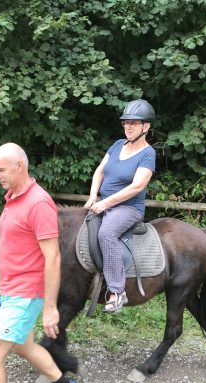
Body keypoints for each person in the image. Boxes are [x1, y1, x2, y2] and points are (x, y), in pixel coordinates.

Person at [0, 143, 84, 383]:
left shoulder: (38, 202)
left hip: (25, 294)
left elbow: (52, 256)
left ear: (20, 166)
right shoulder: (14, 198)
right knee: (23, 345)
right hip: (11, 290)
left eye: (0, 170)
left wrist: (50, 307)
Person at [84, 99, 156, 313]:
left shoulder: (147, 154)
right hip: (104, 203)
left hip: (128, 208)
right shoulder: (117, 145)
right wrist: (93, 196)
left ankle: (117, 291)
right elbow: (100, 170)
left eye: (134, 123)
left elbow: (137, 186)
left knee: (106, 233)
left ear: (146, 127)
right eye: (126, 123)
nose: (128, 127)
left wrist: (105, 203)